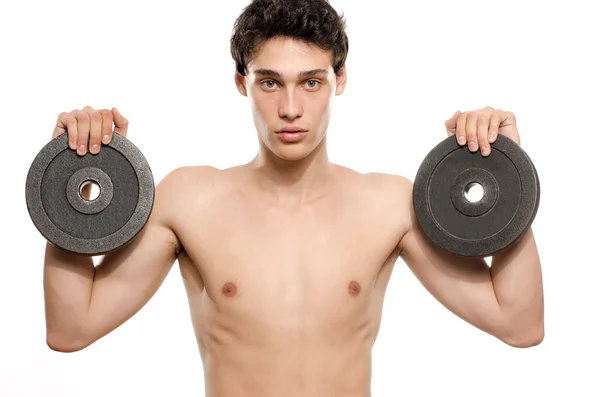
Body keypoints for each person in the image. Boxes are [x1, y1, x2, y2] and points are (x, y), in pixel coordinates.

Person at [44, 0, 544, 395]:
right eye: (269, 82)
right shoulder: (189, 201)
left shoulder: (388, 206)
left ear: (339, 80)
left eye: (310, 82)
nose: (289, 108)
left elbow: (518, 324)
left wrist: (509, 178)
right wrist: (70, 181)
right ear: (242, 82)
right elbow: (72, 328)